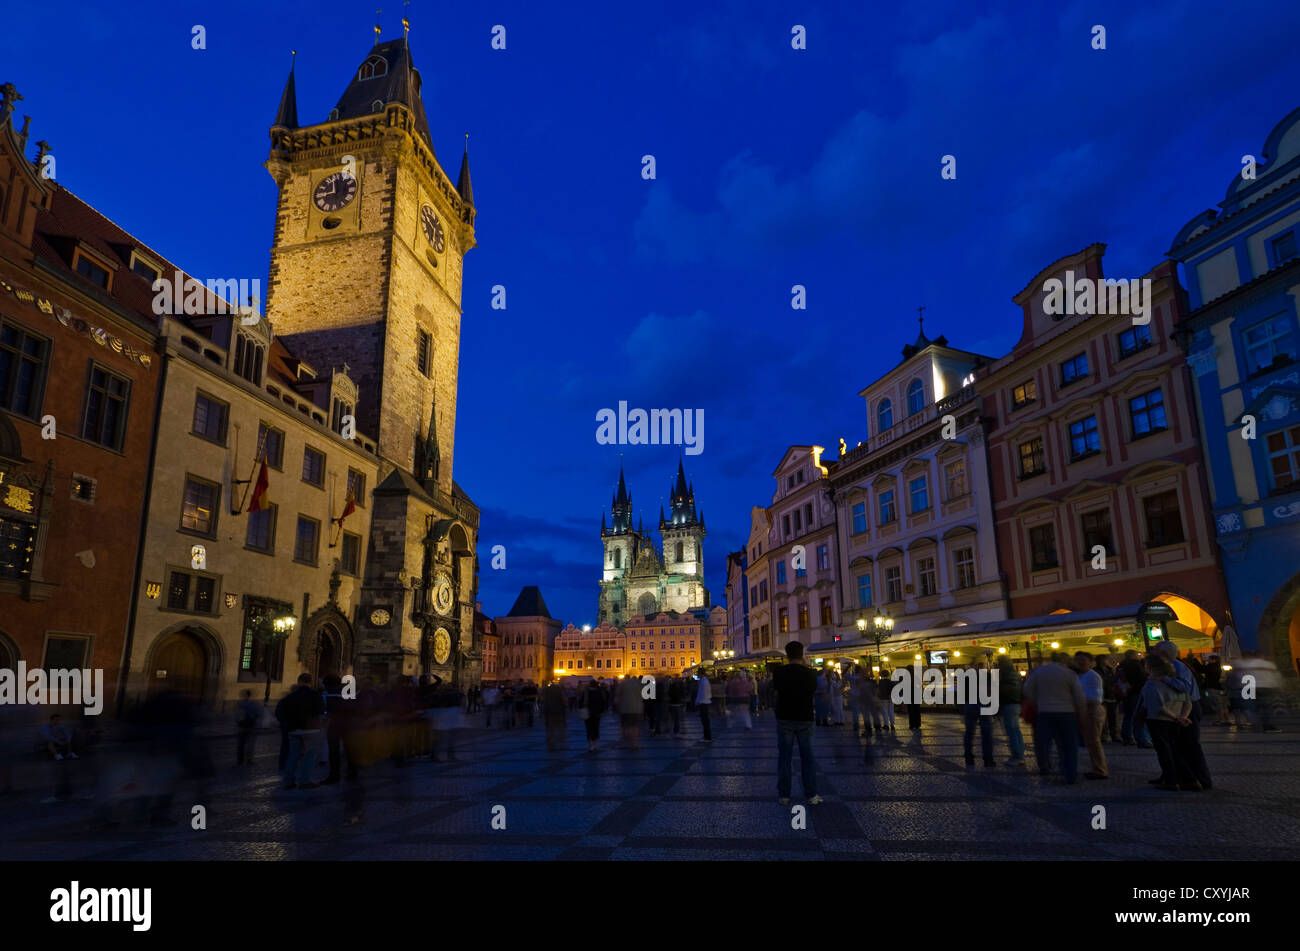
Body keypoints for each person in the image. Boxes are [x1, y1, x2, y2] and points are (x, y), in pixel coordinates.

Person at [1135, 654, 1199, 791]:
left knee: (1164, 752)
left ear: (1150, 667)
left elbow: (1157, 706)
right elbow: (1188, 702)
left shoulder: (1152, 684)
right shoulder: (1176, 682)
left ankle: (1171, 781)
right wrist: (1182, 717)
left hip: (1159, 721)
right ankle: (1189, 779)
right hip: (1176, 722)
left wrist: (1176, 717)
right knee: (1174, 751)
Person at [1022, 652, 1086, 783]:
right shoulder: (1069, 674)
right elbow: (1079, 696)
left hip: (1044, 711)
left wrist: (1038, 701)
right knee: (1069, 744)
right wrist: (1080, 712)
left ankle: (1044, 766)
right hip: (1067, 712)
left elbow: (1027, 690)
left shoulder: (1039, 672)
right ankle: (1070, 774)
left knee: (1043, 743)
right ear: (1065, 661)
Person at [772, 642, 822, 805]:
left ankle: (784, 795)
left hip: (785, 717)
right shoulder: (811, 673)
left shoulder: (778, 672)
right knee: (807, 758)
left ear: (787, 655)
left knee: (784, 758)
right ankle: (811, 795)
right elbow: (812, 691)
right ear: (802, 655)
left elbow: (776, 690)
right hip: (805, 718)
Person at [278, 674, 325, 789]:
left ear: (299, 681)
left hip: (293, 729)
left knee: (293, 755)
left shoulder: (290, 697)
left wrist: (286, 724)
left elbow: (280, 712)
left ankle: (288, 781)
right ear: (310, 682)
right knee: (310, 755)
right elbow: (321, 711)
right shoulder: (315, 695)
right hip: (311, 729)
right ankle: (305, 780)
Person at [1074, 652, 1108, 779]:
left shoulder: (1093, 677)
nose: (1080, 662)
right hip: (1084, 710)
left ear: (1090, 662)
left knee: (1094, 741)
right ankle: (1097, 768)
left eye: (1083, 660)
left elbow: (1095, 698)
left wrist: (1077, 700)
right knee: (1090, 742)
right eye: (1078, 660)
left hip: (1093, 710)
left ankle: (1101, 770)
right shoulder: (1079, 676)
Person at [1236, 652, 1284, 733]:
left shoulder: (1249, 665)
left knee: (1258, 706)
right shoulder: (1269, 664)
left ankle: (1257, 722)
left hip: (1254, 687)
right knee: (1267, 707)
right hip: (1267, 687)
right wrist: (1279, 686)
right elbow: (1277, 676)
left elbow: (1242, 676)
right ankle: (1268, 726)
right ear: (1262, 656)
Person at [962, 660, 997, 767]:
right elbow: (992, 690)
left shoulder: (966, 676)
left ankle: (968, 756)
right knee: (986, 733)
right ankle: (988, 758)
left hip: (970, 705)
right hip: (984, 704)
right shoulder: (986, 675)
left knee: (969, 732)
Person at [1117, 650, 1153, 748]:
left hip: (1126, 693)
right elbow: (1141, 678)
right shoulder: (1136, 665)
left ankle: (1127, 737)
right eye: (1137, 654)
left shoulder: (1121, 666)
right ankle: (1142, 739)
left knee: (1128, 716)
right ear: (1132, 655)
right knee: (1139, 716)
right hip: (1137, 692)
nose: (1139, 656)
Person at [996, 657, 1025, 765]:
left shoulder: (1005, 674)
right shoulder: (1015, 674)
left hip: (1008, 704)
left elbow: (1003, 689)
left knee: (1011, 731)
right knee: (1016, 730)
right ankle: (1020, 754)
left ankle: (1017, 756)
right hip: (1016, 704)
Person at [1097, 653, 1121, 742]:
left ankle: (1114, 734)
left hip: (1110, 695)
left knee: (1113, 716)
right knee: (1103, 718)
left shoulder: (1110, 670)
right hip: (1102, 696)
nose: (1105, 661)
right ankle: (1104, 735)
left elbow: (1113, 681)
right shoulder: (1097, 671)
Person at [581, 678, 607, 752]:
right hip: (597, 713)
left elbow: (581, 702)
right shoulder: (599, 692)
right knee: (596, 728)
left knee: (589, 729)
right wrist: (602, 711)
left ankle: (590, 745)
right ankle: (595, 745)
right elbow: (603, 702)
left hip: (588, 713)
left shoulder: (586, 692)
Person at [617, 675, 642, 750]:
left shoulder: (622, 684)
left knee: (628, 726)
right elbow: (643, 696)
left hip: (625, 708)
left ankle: (628, 740)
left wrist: (618, 706)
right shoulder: (638, 684)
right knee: (635, 726)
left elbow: (617, 697)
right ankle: (634, 743)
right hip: (636, 709)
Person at [540, 680, 567, 751]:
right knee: (560, 728)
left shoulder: (546, 694)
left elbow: (542, 701)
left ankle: (551, 745)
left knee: (550, 729)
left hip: (549, 712)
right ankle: (561, 744)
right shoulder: (559, 693)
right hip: (559, 712)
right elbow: (565, 702)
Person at [695, 673, 713, 742]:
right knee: (706, 721)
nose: (697, 676)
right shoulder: (705, 681)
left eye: (698, 675)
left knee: (705, 721)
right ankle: (707, 737)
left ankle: (707, 738)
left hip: (703, 703)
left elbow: (702, 693)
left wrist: (698, 701)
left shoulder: (703, 682)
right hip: (705, 702)